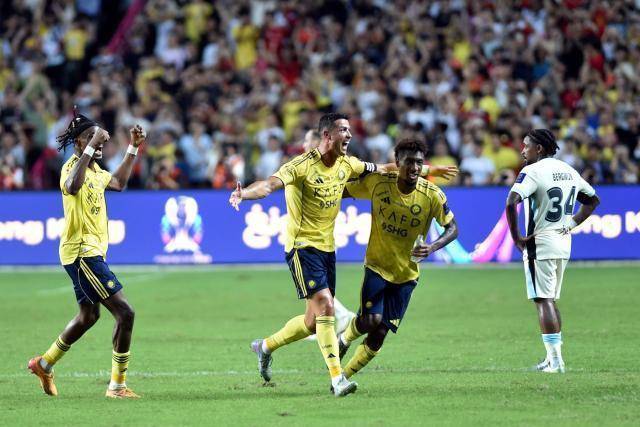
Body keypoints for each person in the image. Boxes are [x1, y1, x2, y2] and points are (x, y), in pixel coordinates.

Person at [229, 113, 455, 396]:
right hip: (302, 247)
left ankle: (264, 346)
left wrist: (428, 170)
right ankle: (338, 379)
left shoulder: (348, 164)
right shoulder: (300, 166)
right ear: (327, 135)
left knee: (313, 323)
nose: (349, 135)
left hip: (328, 249)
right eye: (343, 130)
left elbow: (387, 168)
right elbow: (268, 185)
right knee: (326, 306)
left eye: (349, 130)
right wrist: (244, 194)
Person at [27, 111, 146, 398]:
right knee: (125, 313)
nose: (98, 141)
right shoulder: (71, 168)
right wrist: (92, 144)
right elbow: (72, 187)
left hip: (89, 253)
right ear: (79, 143)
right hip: (83, 254)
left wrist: (133, 148)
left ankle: (44, 364)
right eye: (90, 137)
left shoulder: (96, 171)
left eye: (98, 136)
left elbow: (118, 183)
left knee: (88, 316)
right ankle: (117, 386)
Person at [336, 138, 459, 381]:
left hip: (406, 275)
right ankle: (344, 339)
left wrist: (433, 246)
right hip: (377, 266)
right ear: (397, 162)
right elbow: (342, 191)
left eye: (419, 163)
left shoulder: (432, 195)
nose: (414, 168)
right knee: (370, 320)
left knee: (380, 334)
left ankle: (343, 378)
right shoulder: (379, 182)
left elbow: (453, 228)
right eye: (409, 162)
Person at [506, 129, 600, 373]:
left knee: (543, 300)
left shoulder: (532, 171)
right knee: (550, 299)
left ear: (538, 148)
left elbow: (511, 201)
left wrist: (516, 238)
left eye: (526, 146)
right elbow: (592, 200)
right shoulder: (568, 170)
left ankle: (556, 362)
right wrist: (571, 224)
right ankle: (552, 358)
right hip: (563, 242)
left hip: (540, 242)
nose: (522, 151)